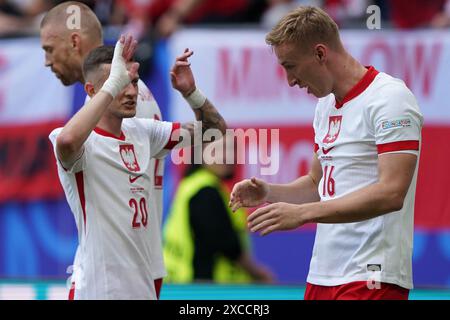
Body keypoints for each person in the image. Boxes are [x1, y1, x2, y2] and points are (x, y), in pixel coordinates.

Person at [229, 6, 423, 300]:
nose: (290, 81)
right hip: (322, 274)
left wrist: (303, 214)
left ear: (320, 53)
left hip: (371, 277)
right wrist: (270, 192)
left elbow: (392, 193)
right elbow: (316, 185)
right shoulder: (325, 106)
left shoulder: (390, 99)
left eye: (290, 66)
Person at [48, 34, 226, 299]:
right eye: (120, 84)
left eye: (132, 82)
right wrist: (113, 84)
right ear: (92, 91)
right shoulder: (80, 143)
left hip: (142, 285)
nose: (131, 92)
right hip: (98, 289)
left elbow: (215, 132)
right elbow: (67, 140)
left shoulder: (142, 132)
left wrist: (192, 94)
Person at [39, 1, 167, 298]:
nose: (47, 61)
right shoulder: (129, 94)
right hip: (134, 267)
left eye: (48, 49)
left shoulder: (116, 101)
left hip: (117, 276)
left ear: (74, 42)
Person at [163, 138, 273, 284]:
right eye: (217, 151)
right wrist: (258, 273)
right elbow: (226, 243)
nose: (226, 156)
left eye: (231, 150)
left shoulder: (192, 185)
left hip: (181, 282)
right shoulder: (205, 191)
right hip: (204, 288)